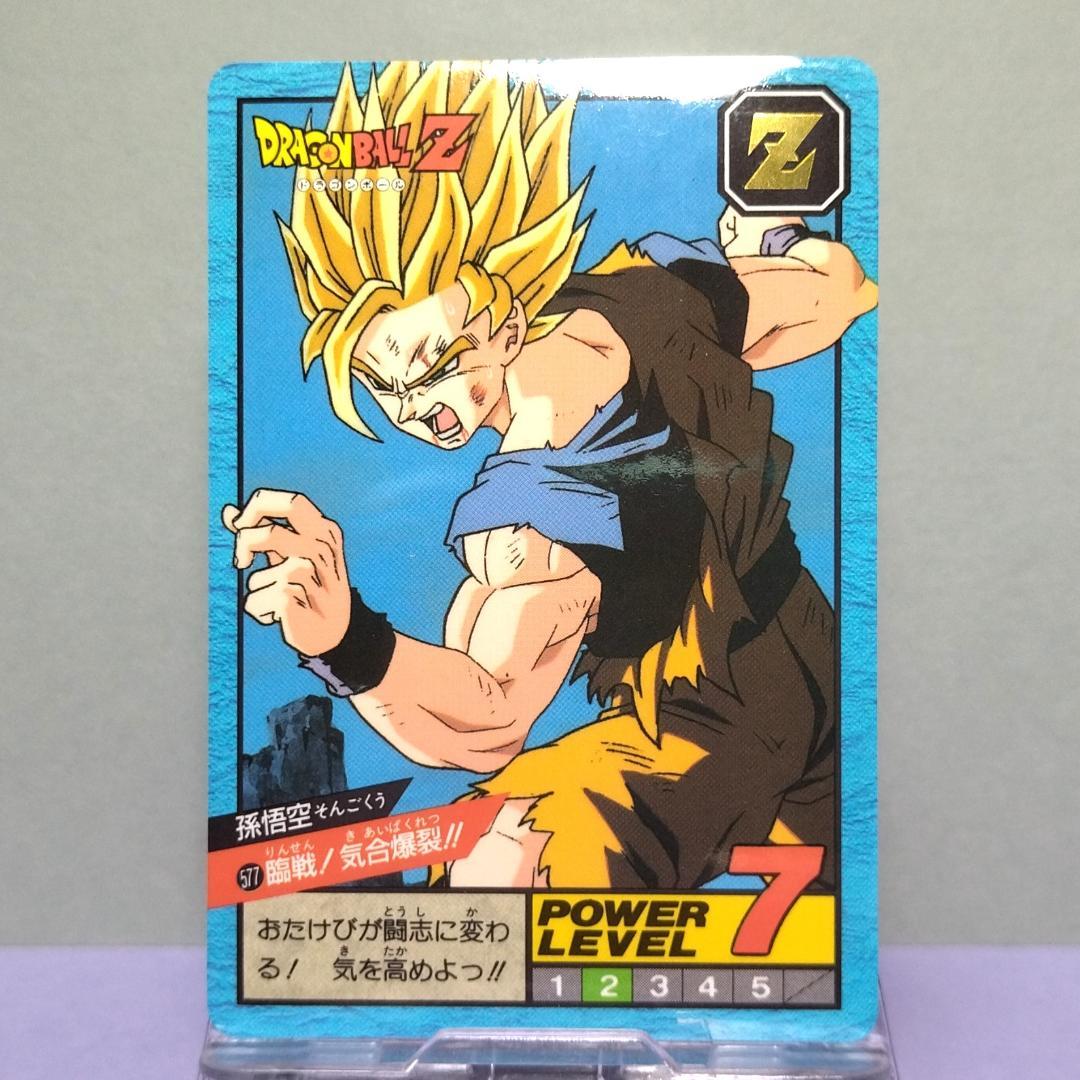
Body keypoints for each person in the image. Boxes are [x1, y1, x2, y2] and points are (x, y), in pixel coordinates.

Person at [223, 61, 877, 889]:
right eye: (381, 385)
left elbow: (490, 719)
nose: (413, 407)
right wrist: (772, 243)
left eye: (434, 365)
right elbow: (832, 292)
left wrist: (345, 641)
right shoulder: (644, 299)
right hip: (811, 663)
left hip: (702, 728)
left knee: (494, 866)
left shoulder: (524, 519)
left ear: (504, 321)